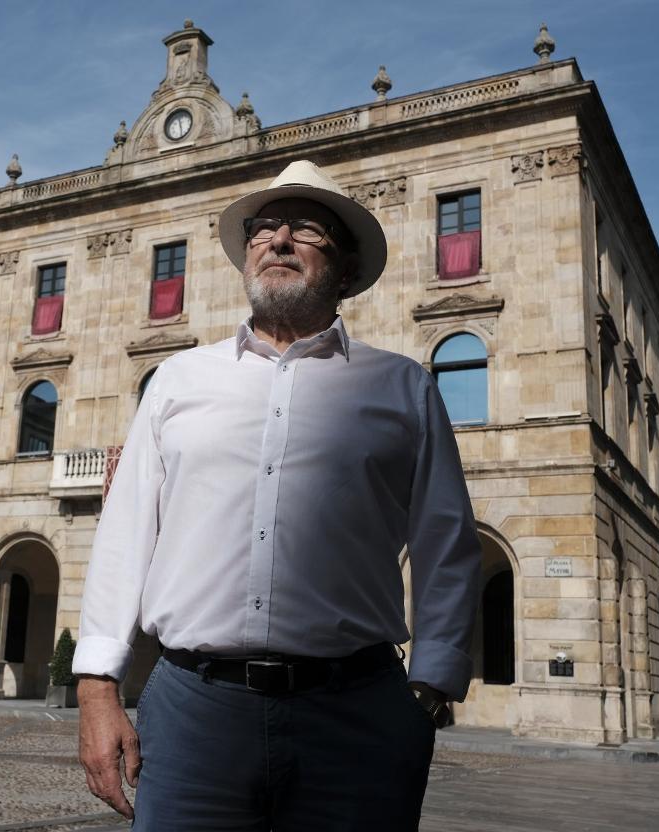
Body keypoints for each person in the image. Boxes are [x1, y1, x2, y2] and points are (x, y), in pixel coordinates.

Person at [73, 160, 483, 830]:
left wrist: (431, 690)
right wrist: (97, 688)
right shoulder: (178, 379)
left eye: (307, 231)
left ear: (345, 271)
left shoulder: (403, 386)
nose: (279, 240)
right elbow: (125, 537)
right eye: (264, 229)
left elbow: (447, 541)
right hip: (193, 707)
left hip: (357, 713)